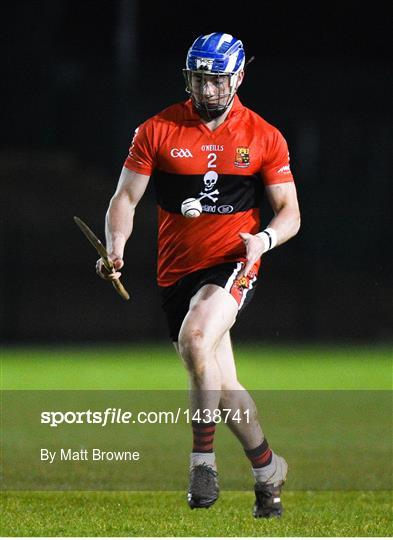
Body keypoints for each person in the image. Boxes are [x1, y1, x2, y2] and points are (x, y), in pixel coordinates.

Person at [97, 32, 301, 518]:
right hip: (177, 273)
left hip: (235, 262)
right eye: (198, 79)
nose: (207, 90)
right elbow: (125, 199)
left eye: (216, 80)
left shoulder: (264, 136)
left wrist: (264, 241)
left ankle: (201, 463)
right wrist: (116, 246)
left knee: (194, 339)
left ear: (237, 78)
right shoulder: (157, 130)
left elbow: (289, 212)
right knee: (224, 386)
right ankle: (268, 469)